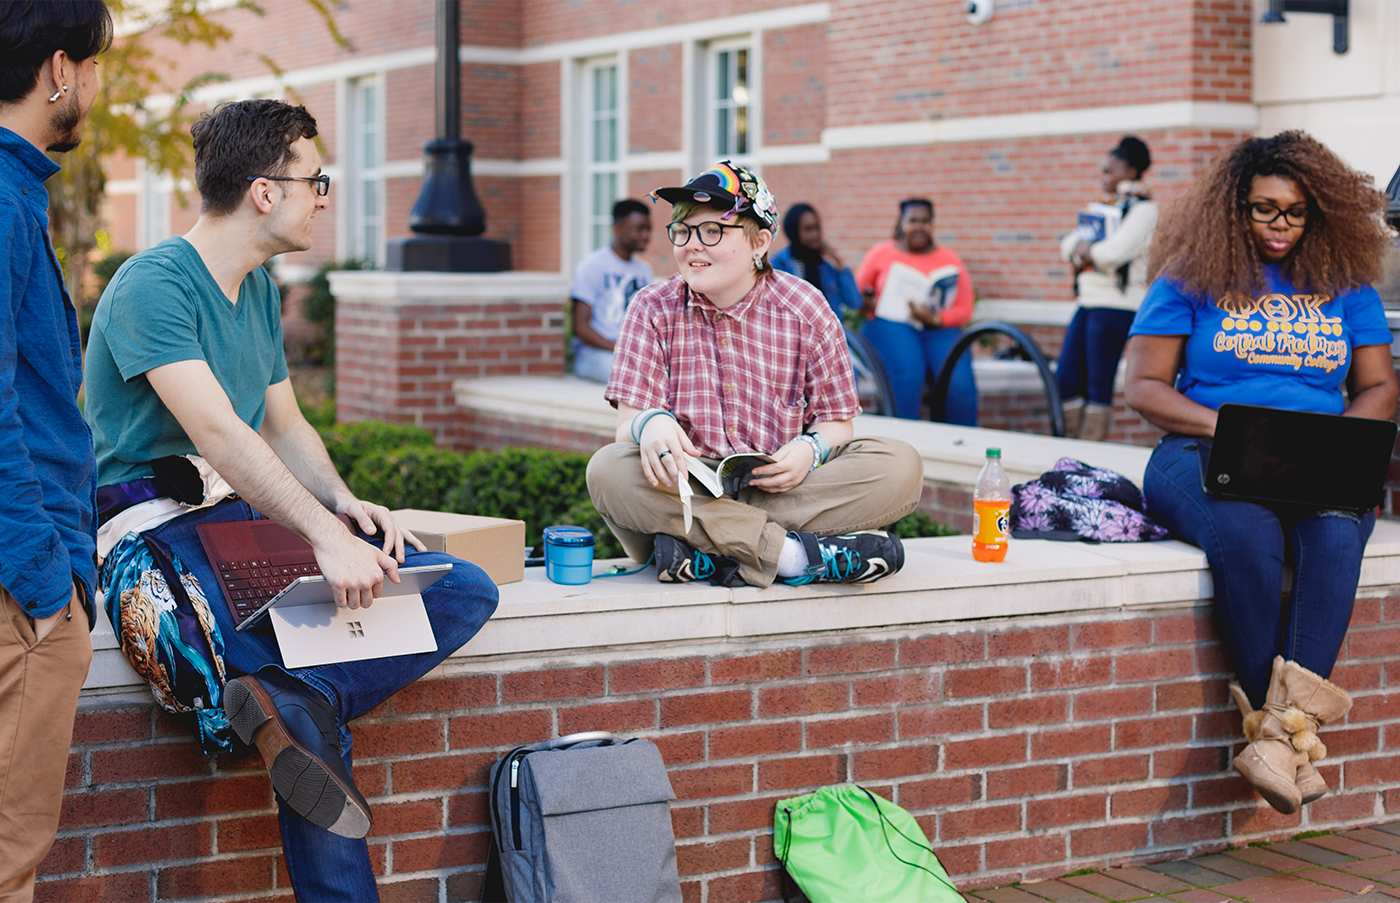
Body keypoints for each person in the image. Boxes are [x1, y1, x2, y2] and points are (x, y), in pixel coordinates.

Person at [83, 100, 499, 902]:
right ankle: (294, 703)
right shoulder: (151, 286)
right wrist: (321, 534)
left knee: (459, 588)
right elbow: (222, 435)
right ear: (265, 191)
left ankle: (296, 695)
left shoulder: (262, 289)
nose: (323, 196)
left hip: (241, 526)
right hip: (155, 532)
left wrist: (346, 505)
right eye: (316, 180)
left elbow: (286, 423)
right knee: (296, 709)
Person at [1124, 131, 1396, 816]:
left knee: (1337, 537)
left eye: (1295, 211)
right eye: (1263, 209)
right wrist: (1237, 429)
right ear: (1234, 207)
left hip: (1313, 453)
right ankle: (1290, 741)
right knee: (1247, 538)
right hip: (1204, 449)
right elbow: (1146, 386)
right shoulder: (1193, 274)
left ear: (1318, 212)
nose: (1280, 225)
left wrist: (1333, 441)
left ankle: (1274, 741)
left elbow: (1380, 388)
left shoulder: (1345, 284)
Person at [586, 161, 924, 588]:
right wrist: (650, 423)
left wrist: (810, 450)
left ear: (759, 242)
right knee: (608, 471)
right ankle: (794, 557)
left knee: (900, 464)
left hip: (783, 486)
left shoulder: (806, 306)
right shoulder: (651, 307)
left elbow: (838, 422)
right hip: (686, 487)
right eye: (683, 231)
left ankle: (706, 552)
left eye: (712, 232)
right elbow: (624, 429)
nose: (692, 245)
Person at [0, 2, 109, 899]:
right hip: (17, 591)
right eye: (96, 69)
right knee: (8, 860)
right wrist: (45, 579)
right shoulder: (0, 198)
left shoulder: (16, 189)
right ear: (59, 69)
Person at [1057, 136, 1159, 441]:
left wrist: (1089, 252)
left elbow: (1116, 253)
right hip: (1088, 300)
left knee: (1098, 384)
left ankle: (1089, 452)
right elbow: (1067, 246)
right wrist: (1086, 250)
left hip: (1117, 304)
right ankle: (1070, 446)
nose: (1103, 179)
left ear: (1130, 172)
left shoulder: (1144, 210)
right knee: (1065, 378)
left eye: (1109, 172)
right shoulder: (1102, 207)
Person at [856, 199, 978, 424]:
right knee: (909, 376)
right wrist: (865, 301)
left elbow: (965, 308)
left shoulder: (949, 259)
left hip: (937, 328)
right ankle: (904, 444)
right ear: (901, 223)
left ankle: (963, 443)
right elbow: (856, 295)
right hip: (890, 325)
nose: (919, 227)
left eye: (925, 221)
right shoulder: (881, 253)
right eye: (913, 221)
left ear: (932, 224)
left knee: (959, 383)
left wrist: (935, 318)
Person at [570, 198, 653, 382]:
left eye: (648, 230)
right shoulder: (592, 266)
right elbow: (581, 327)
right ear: (618, 228)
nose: (646, 235)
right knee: (629, 378)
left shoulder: (644, 271)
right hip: (594, 354)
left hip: (631, 354)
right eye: (639, 229)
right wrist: (620, 349)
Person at [770, 203, 862, 319]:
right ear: (794, 232)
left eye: (817, 228)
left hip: (827, 334)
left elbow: (855, 302)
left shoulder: (826, 267)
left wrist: (839, 265)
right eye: (809, 229)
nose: (816, 234)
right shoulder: (779, 265)